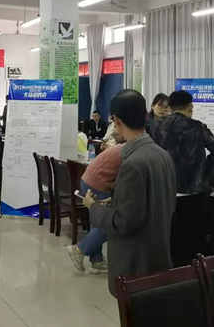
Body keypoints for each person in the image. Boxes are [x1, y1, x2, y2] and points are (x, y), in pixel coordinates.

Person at [84, 89, 177, 297]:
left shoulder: (132, 164)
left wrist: (93, 207)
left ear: (116, 120)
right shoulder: (162, 154)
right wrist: (117, 200)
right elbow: (157, 202)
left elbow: (123, 222)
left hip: (135, 265)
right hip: (159, 257)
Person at [150, 90, 214, 265]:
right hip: (193, 195)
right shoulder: (197, 127)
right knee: (191, 245)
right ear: (190, 107)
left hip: (163, 195)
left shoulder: (156, 127)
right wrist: (209, 183)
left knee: (166, 243)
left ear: (170, 107)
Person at [67, 143, 123, 274]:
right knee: (110, 222)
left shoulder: (122, 147)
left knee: (97, 221)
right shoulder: (132, 152)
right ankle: (79, 250)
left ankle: (97, 261)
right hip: (100, 183)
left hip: (88, 179)